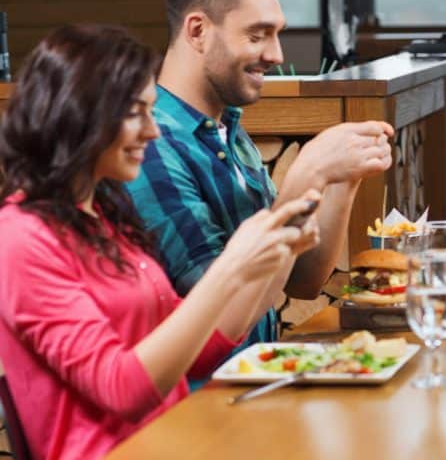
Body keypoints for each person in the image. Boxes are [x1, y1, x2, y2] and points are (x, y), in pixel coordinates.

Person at [0, 25, 321, 460]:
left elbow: (196, 356)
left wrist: (275, 255)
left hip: (178, 441)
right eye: (137, 113)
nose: (153, 132)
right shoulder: (21, 238)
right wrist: (230, 267)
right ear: (80, 112)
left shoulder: (103, 216)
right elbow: (121, 389)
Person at [126, 0, 394, 359]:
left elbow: (300, 280)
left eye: (277, 33)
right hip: (200, 404)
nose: (276, 55)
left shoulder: (226, 129)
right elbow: (220, 318)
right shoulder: (152, 146)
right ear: (197, 31)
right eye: (257, 34)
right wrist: (304, 176)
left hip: (257, 382)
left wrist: (342, 179)